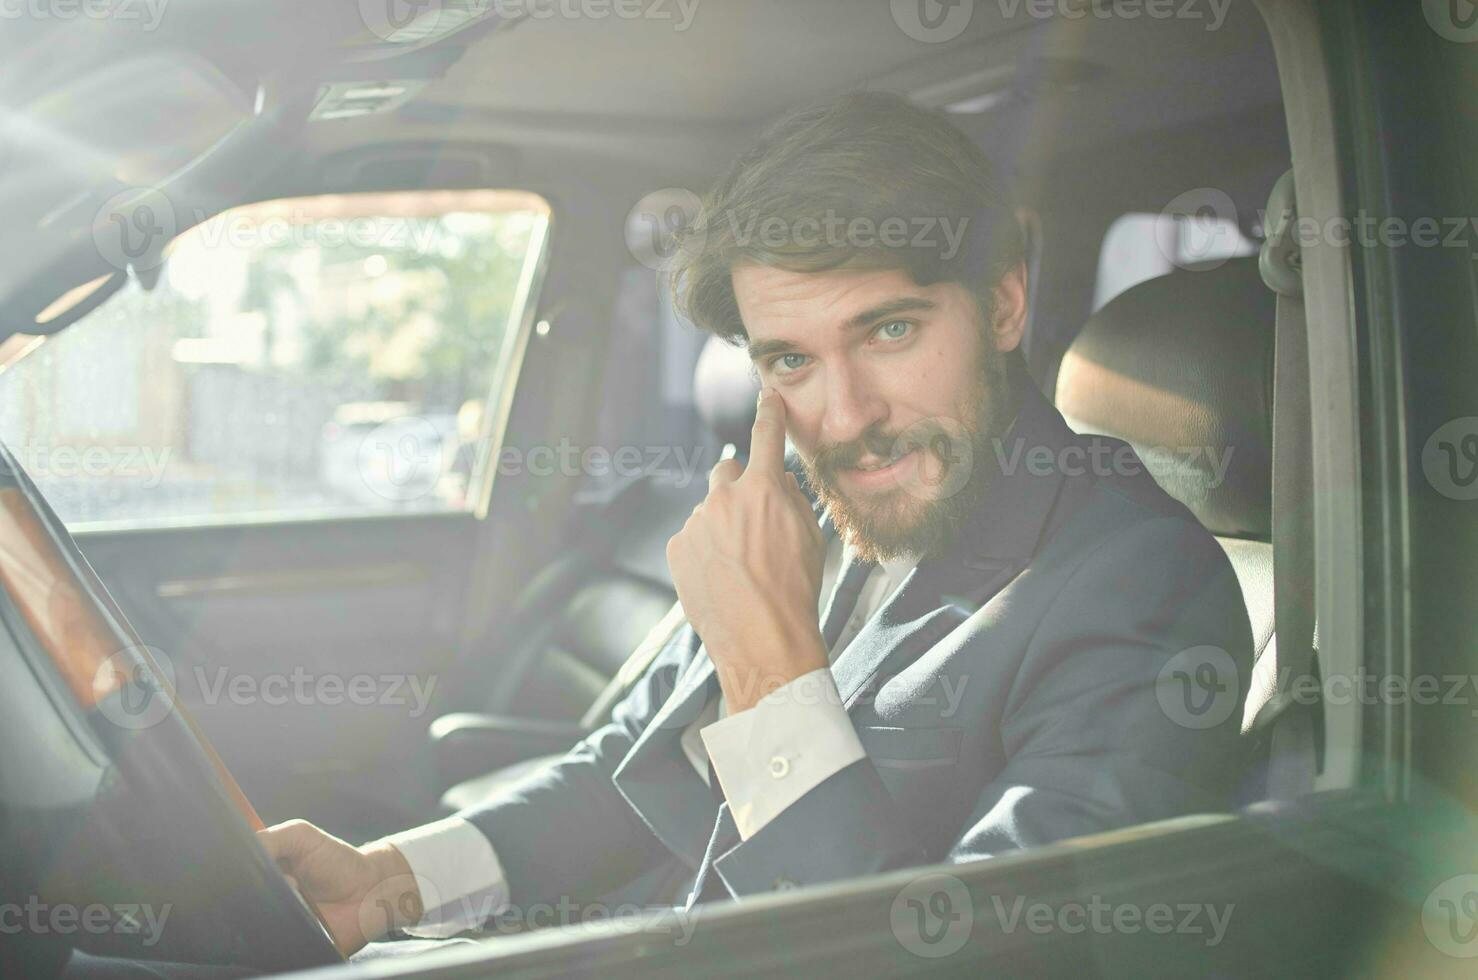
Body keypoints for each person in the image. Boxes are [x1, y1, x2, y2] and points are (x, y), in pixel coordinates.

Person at [255, 90, 1255, 956]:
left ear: (1000, 305)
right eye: (790, 361)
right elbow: (630, 765)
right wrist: (389, 878)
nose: (847, 414)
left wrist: (774, 676)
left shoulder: (1142, 584)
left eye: (890, 330)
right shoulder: (810, 513)